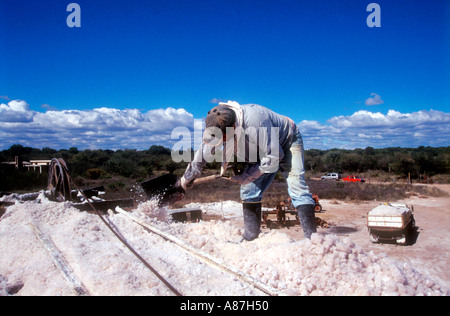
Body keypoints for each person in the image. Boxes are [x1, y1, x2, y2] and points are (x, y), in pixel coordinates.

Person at [177, 101, 317, 240]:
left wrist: (247, 176)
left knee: (297, 187)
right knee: (248, 190)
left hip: (287, 141)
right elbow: (202, 155)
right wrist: (186, 178)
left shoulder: (256, 121)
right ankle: (251, 237)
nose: (223, 142)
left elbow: (275, 156)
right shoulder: (218, 127)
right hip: (263, 149)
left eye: (225, 138)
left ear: (233, 126)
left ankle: (312, 243)